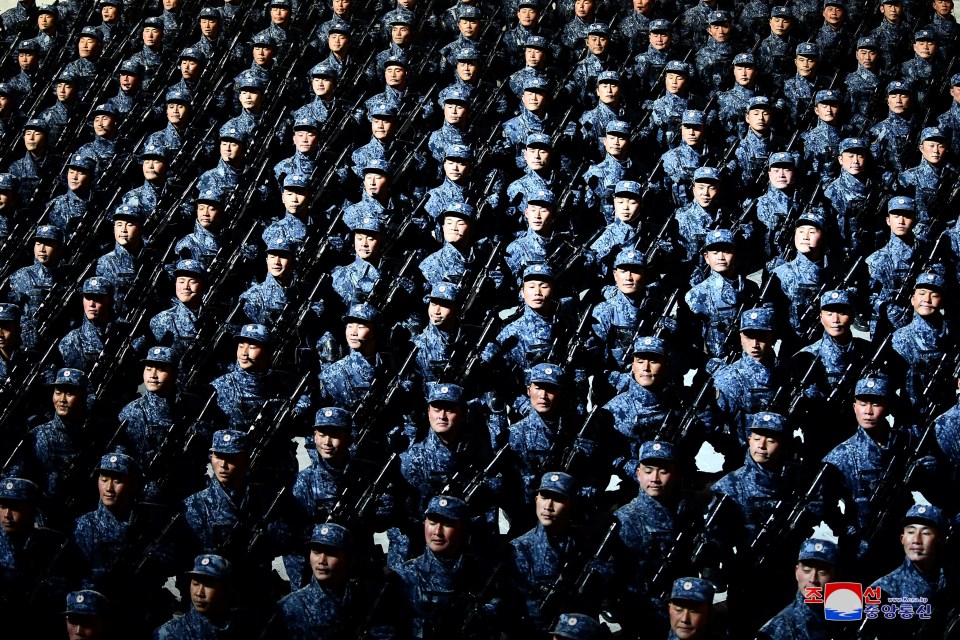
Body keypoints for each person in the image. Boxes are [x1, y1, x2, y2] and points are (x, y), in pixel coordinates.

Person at [390, 494, 503, 637]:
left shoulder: (484, 574)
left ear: (463, 529)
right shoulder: (404, 576)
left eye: (447, 524)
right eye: (432, 523)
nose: (437, 532)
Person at [267, 523, 392, 638]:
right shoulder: (289, 608)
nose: (321, 560)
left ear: (349, 560)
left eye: (331, 553)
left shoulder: (367, 598)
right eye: (316, 552)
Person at [864, 504, 956, 639]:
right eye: (911, 532)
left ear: (941, 541)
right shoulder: (882, 590)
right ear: (902, 539)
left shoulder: (953, 579)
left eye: (926, 533)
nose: (917, 540)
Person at [756, 538, 840, 640]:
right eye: (806, 570)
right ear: (796, 572)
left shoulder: (842, 614)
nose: (813, 579)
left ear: (835, 575)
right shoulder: (776, 631)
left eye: (822, 572)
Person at [155, 554, 241, 639]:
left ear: (226, 589)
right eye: (195, 584)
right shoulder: (169, 634)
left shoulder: (244, 622)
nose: (199, 593)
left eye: (208, 585)